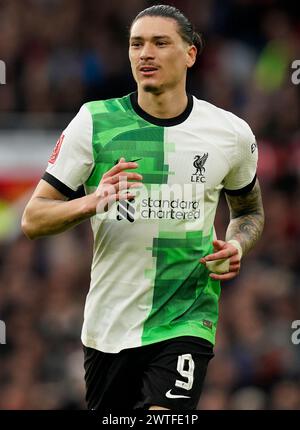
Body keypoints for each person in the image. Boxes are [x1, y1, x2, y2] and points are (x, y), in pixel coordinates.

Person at [21, 4, 264, 411]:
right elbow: (33, 219)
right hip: (108, 327)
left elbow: (249, 213)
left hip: (186, 319)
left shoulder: (230, 133)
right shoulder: (94, 121)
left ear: (190, 54)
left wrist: (237, 246)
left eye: (159, 42)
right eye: (136, 44)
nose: (144, 53)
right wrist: (94, 200)